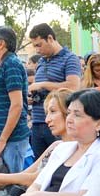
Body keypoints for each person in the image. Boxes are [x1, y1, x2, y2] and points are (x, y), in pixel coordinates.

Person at [28, 23, 82, 158]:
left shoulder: (70, 58)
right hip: (38, 120)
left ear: (50, 39)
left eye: (39, 45)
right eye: (35, 46)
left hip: (60, 123)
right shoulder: (41, 61)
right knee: (40, 166)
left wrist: (43, 85)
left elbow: (74, 87)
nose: (37, 50)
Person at [0, 26, 31, 172]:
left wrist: (2, 140)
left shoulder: (11, 64)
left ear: (1, 44)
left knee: (10, 187)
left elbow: (17, 106)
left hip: (13, 139)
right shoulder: (2, 65)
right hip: (3, 137)